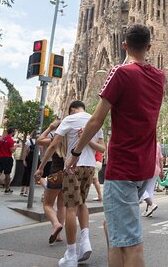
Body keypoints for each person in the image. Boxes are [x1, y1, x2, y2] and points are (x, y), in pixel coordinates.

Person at [65, 24, 165, 267]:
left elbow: (96, 119)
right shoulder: (159, 77)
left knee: (131, 243)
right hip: (144, 167)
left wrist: (76, 151)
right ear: (149, 47)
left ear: (124, 45)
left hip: (123, 167)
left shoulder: (120, 73)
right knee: (115, 231)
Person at [36, 100, 105, 267]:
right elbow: (102, 149)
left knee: (71, 207)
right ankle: (86, 241)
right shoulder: (95, 120)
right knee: (82, 204)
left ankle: (71, 254)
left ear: (73, 109)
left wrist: (41, 167)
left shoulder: (69, 119)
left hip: (73, 167)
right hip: (89, 168)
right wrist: (87, 140)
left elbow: (53, 145)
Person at [36, 118, 67, 245]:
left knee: (47, 204)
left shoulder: (55, 139)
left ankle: (55, 224)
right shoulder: (71, 139)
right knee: (61, 206)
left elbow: (39, 140)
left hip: (55, 174)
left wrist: (50, 127)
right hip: (68, 175)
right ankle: (59, 235)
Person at [140, 141, 163, 217]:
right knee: (150, 191)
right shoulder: (157, 145)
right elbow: (161, 159)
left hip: (145, 169)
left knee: (139, 188)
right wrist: (162, 171)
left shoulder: (144, 143)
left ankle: (151, 204)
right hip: (156, 170)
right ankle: (149, 210)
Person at [20, 131, 36, 197]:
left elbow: (25, 151)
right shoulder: (38, 141)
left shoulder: (28, 141)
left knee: (26, 173)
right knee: (30, 174)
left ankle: (23, 190)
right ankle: (26, 190)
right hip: (33, 159)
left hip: (28, 159)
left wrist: (24, 160)